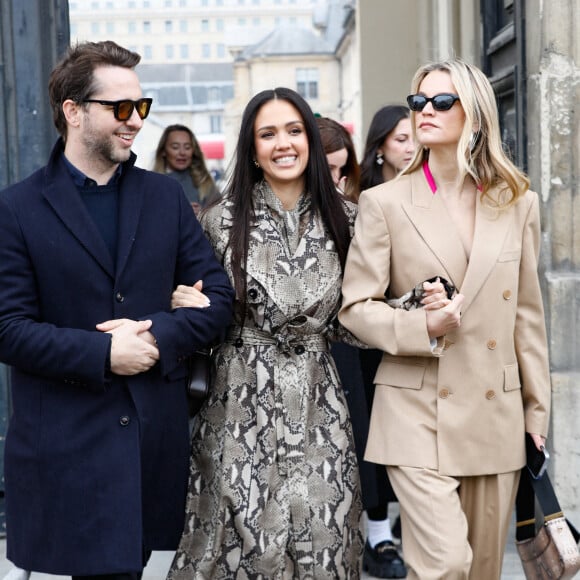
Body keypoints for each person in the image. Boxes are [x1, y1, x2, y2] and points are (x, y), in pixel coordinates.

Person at [0, 40, 234, 579]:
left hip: (149, 438)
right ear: (73, 111)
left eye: (142, 107)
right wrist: (104, 353)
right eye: (121, 109)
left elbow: (219, 299)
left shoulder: (165, 198)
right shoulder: (16, 208)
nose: (136, 122)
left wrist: (156, 336)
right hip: (65, 441)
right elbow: (8, 328)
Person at [339, 58, 551, 580]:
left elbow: (527, 316)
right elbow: (354, 310)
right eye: (418, 102)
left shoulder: (518, 203)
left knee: (479, 570)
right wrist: (420, 326)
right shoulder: (383, 202)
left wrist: (537, 413)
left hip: (493, 411)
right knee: (444, 564)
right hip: (415, 408)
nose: (424, 112)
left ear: (475, 114)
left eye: (441, 101)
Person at [167, 87, 364, 578]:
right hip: (237, 403)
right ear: (251, 148)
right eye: (268, 133)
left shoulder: (349, 218)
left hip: (319, 406)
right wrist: (183, 305)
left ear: (311, 143)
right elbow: (201, 311)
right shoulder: (220, 221)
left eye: (295, 131)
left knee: (325, 538)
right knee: (237, 540)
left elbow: (358, 318)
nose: (284, 143)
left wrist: (419, 311)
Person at [316, 115, 411, 579]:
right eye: (326, 170)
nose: (335, 181)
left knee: (361, 434)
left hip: (349, 345)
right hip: (285, 357)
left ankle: (374, 534)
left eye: (341, 171)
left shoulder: (355, 211)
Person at [153, 123, 220, 214]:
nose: (182, 152)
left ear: (193, 151)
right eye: (175, 147)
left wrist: (202, 215)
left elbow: (222, 220)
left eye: (187, 147)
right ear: (163, 151)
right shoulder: (151, 185)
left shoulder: (205, 182)